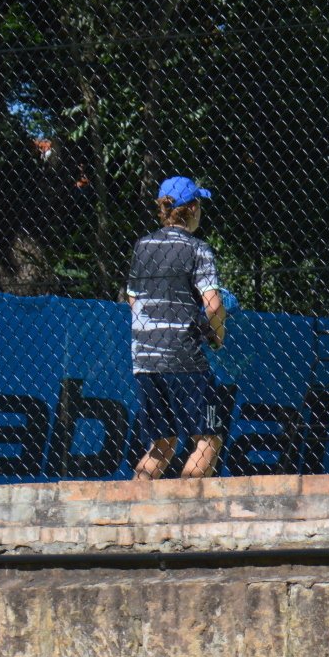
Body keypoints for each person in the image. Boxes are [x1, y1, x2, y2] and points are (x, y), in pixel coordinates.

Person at [127, 175, 235, 479]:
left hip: (144, 358)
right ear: (192, 208)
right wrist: (216, 334)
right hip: (183, 357)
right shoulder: (198, 249)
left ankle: (133, 510)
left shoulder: (143, 246)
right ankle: (187, 514)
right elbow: (213, 304)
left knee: (162, 442)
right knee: (209, 438)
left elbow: (133, 300)